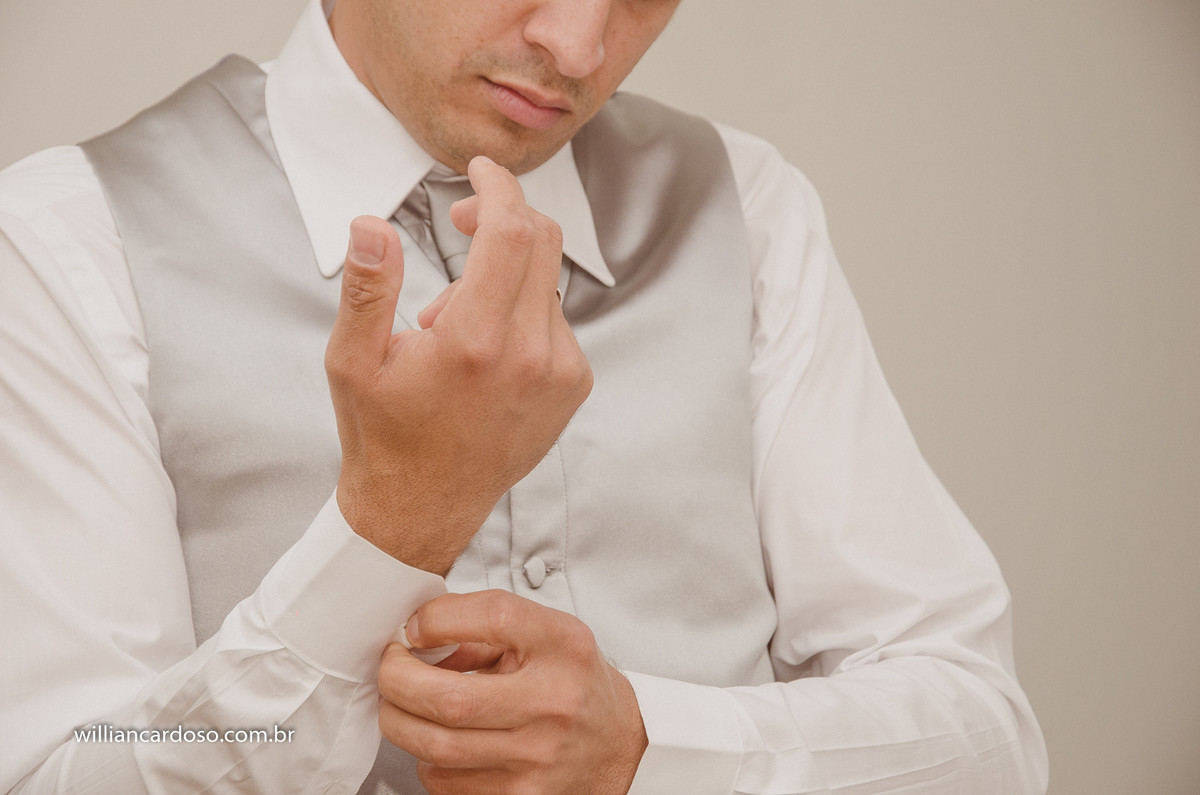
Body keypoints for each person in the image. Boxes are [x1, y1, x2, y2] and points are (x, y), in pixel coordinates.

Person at [0, 0, 1049, 792]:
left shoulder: (748, 207)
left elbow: (986, 736)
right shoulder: (67, 243)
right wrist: (394, 526)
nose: (581, 46)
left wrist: (648, 749)